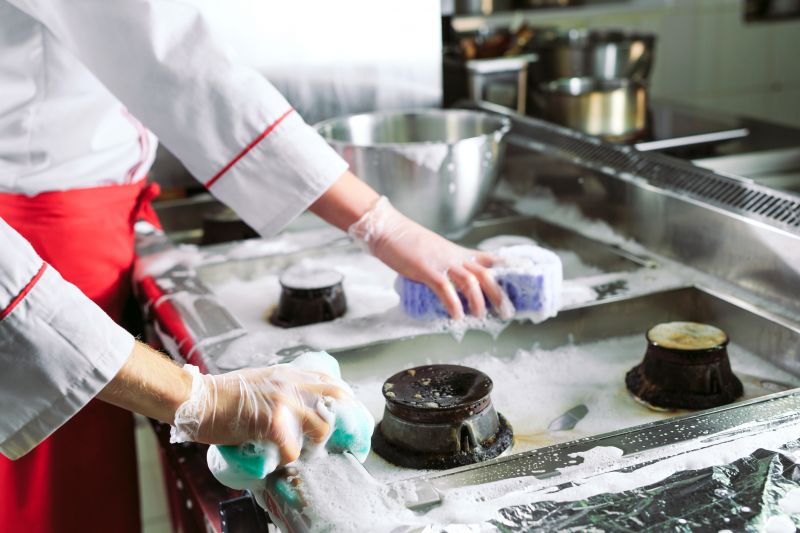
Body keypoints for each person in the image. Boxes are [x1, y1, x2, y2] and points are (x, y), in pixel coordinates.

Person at [0, 1, 508, 531]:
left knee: (87, 480)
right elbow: (177, 62)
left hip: (89, 219)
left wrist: (381, 224)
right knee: (58, 494)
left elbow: (169, 62)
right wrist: (199, 399)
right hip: (33, 241)